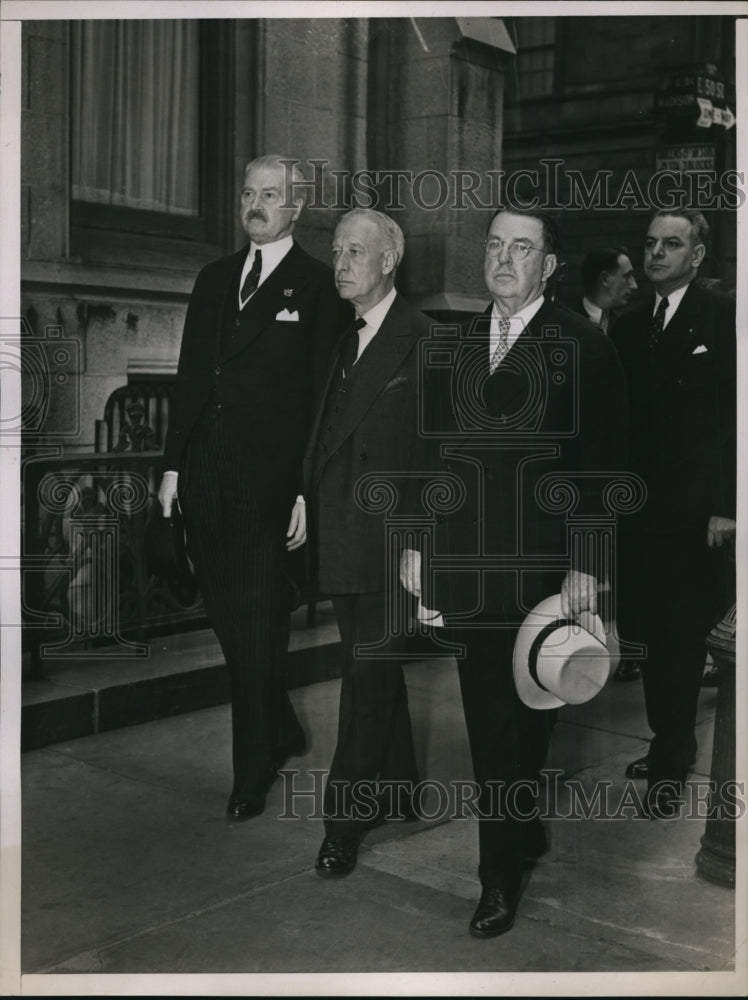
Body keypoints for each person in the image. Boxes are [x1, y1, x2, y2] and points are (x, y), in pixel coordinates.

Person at [400, 206, 628, 938]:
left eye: (521, 249)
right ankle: (521, 835)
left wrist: (587, 569)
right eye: (495, 246)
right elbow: (435, 458)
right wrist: (419, 549)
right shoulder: (458, 342)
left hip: (540, 576)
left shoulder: (581, 345)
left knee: (515, 732)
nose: (504, 260)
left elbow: (603, 466)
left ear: (549, 266)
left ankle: (497, 876)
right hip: (465, 569)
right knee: (489, 726)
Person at [158, 154, 350, 820]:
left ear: (296, 208)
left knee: (261, 621)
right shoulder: (213, 279)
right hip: (206, 474)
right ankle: (280, 722)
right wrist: (172, 467)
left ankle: (253, 768)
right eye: (247, 193)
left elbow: (325, 399)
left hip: (270, 486)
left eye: (270, 195)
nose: (255, 204)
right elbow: (189, 379)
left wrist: (305, 489)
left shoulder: (318, 286)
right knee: (226, 617)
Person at [304, 208, 429, 879]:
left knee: (364, 679)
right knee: (370, 668)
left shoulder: (426, 341)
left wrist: (421, 546)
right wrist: (304, 497)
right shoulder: (342, 336)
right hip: (340, 533)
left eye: (357, 251)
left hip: (391, 547)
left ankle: (343, 823)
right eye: (336, 250)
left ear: (390, 260)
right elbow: (324, 434)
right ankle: (402, 786)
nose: (342, 261)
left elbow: (442, 461)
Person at [611, 209, 736, 818]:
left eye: (673, 244)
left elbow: (737, 420)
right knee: (650, 636)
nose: (657, 253)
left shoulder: (723, 316)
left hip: (694, 516)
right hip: (639, 515)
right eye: (651, 244)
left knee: (681, 641)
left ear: (697, 256)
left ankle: (670, 757)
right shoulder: (628, 324)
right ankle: (670, 743)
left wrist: (726, 505)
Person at [577, 246, 638, 334]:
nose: (634, 285)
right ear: (605, 279)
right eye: (627, 276)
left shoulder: (626, 326)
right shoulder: (566, 325)